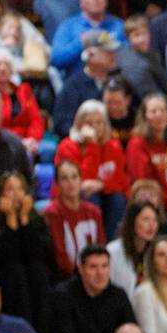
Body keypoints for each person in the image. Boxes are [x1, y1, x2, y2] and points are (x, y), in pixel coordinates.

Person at [0, 171, 52, 328]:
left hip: (30, 275)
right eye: (10, 189)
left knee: (38, 271)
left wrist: (24, 219)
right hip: (3, 275)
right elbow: (0, 258)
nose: (16, 194)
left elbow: (38, 255)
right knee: (15, 271)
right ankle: (20, 329)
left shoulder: (36, 219)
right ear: (0, 194)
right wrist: (10, 219)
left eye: (20, 189)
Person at [56, 99, 129, 240]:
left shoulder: (113, 146)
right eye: (89, 123)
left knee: (118, 198)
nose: (95, 127)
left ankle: (108, 245)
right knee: (90, 197)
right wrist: (92, 146)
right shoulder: (67, 146)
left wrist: (101, 185)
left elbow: (121, 182)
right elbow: (79, 181)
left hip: (105, 195)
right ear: (79, 124)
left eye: (99, 122)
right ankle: (94, 245)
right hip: (76, 197)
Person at [51, 0, 126, 78]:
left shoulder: (118, 25)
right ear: (81, 2)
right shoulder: (68, 26)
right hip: (80, 83)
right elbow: (56, 60)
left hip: (114, 79)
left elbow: (130, 54)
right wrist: (80, 43)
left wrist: (109, 51)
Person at [54, 28, 120, 139]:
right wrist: (81, 134)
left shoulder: (119, 81)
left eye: (113, 51)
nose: (113, 55)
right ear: (90, 55)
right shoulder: (73, 86)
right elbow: (61, 124)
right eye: (107, 51)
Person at [44, 159, 104, 281]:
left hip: (93, 276)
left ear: (81, 180)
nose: (70, 182)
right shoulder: (53, 212)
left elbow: (101, 247)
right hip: (68, 278)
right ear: (57, 183)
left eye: (74, 177)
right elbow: (60, 255)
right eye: (64, 178)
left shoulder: (94, 211)